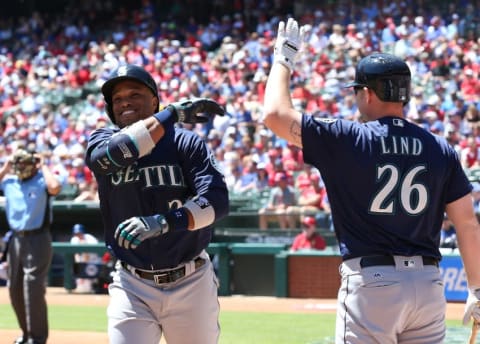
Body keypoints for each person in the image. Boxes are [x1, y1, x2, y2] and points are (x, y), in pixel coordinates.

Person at [263, 18, 480, 343]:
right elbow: (468, 224)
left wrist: (283, 60)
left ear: (367, 93)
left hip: (373, 283)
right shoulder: (440, 147)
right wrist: (476, 288)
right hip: (429, 284)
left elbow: (274, 114)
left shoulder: (348, 137)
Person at [85, 64, 229, 344]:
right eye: (117, 98)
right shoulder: (102, 141)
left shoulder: (186, 143)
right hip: (132, 283)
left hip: (191, 279)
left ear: (154, 101)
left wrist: (164, 222)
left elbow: (217, 203)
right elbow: (112, 155)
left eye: (135, 94)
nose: (125, 101)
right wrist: (172, 114)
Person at [0, 148, 63, 344]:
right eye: (18, 164)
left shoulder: (42, 180)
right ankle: (26, 334)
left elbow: (55, 187)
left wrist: (43, 164)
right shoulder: (10, 181)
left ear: (33, 164)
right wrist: (7, 165)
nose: (21, 168)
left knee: (32, 288)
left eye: (24, 163)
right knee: (15, 289)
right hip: (16, 239)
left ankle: (37, 338)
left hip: (38, 238)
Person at [70, 223, 100, 293]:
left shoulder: (90, 238)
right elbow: (76, 254)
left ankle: (92, 288)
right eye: (76, 233)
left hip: (93, 261)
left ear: (82, 232)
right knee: (76, 268)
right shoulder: (74, 239)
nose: (78, 235)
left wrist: (82, 267)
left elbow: (88, 255)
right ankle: (79, 287)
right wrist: (79, 266)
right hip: (81, 260)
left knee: (88, 274)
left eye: (79, 233)